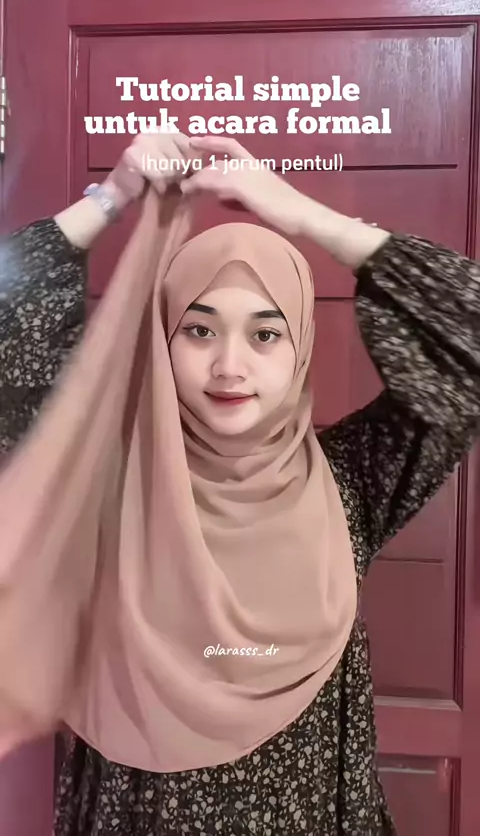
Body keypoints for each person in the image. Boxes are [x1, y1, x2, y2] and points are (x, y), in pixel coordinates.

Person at [0, 131, 480, 836]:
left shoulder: (353, 480)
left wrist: (300, 214)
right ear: (164, 338)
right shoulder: (107, 486)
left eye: (265, 334)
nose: (230, 366)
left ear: (300, 346)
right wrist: (113, 197)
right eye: (199, 331)